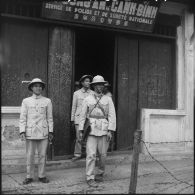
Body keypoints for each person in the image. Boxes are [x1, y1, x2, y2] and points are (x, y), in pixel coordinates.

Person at [78, 75, 116, 187]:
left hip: (104, 130)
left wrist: (110, 130)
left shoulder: (108, 99)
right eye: (97, 85)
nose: (99, 87)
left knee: (103, 155)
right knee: (91, 155)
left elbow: (112, 115)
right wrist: (80, 130)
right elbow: (82, 116)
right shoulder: (87, 99)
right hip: (91, 130)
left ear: (104, 86)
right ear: (93, 86)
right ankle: (90, 177)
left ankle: (100, 173)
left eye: (101, 85)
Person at [19, 78, 53, 185]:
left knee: (42, 155)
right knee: (30, 155)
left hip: (43, 132)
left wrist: (51, 131)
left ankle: (42, 175)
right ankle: (29, 176)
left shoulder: (47, 101)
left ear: (42, 88)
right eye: (35, 86)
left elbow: (50, 118)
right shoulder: (26, 101)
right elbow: (23, 118)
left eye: (40, 86)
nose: (38, 88)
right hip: (30, 132)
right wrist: (22, 131)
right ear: (31, 88)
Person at [71, 75, 94, 161]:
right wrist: (72, 119)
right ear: (82, 83)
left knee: (88, 136)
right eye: (86, 81)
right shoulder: (76, 93)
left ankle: (88, 154)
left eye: (89, 81)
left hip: (89, 118)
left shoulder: (93, 93)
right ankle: (77, 154)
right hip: (78, 118)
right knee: (79, 137)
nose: (88, 83)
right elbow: (74, 107)